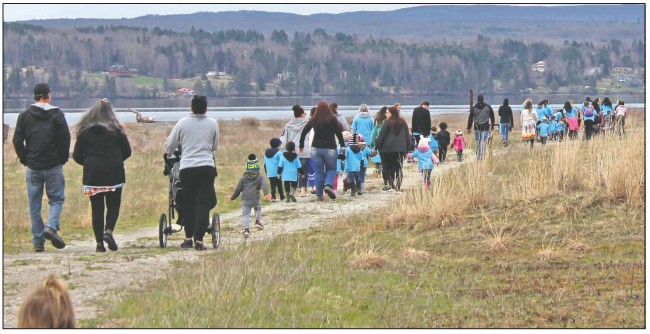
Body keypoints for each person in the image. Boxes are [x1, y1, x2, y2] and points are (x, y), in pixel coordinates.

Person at [13, 83, 70, 252]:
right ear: (49, 95)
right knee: (56, 199)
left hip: (33, 165)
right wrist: (62, 158)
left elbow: (17, 140)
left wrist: (25, 159)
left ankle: (38, 241)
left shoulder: (24, 116)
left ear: (34, 96)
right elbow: (65, 139)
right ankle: (51, 227)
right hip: (53, 165)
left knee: (34, 205)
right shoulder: (57, 114)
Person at [72, 98, 132, 252]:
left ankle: (99, 244)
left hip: (93, 175)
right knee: (113, 205)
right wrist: (116, 160)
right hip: (114, 172)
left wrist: (89, 163)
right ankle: (109, 231)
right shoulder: (117, 130)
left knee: (96, 209)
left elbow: (77, 156)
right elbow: (127, 152)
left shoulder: (84, 131)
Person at [164, 95, 219, 251]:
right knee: (203, 203)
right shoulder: (213, 123)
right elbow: (214, 146)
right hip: (206, 166)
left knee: (188, 202)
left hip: (187, 167)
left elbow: (169, 146)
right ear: (206, 108)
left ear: (191, 108)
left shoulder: (182, 123)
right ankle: (199, 239)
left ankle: (188, 238)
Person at [299, 101, 345, 201]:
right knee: (331, 169)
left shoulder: (314, 119)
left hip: (316, 148)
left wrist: (301, 144)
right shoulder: (332, 119)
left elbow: (305, 131)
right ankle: (328, 184)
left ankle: (319, 195)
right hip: (330, 149)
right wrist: (342, 145)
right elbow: (338, 133)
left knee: (319, 172)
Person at [227, 154, 271, 238]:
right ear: (257, 167)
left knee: (245, 214)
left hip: (245, 199)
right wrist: (266, 194)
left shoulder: (243, 178)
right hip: (255, 198)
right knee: (257, 208)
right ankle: (257, 221)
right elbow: (264, 186)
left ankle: (246, 230)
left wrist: (232, 197)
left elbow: (238, 189)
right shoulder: (260, 177)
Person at [374, 106, 411, 192]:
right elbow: (407, 136)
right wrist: (407, 149)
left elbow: (381, 136)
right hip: (400, 149)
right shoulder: (403, 122)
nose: (385, 114)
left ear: (392, 113)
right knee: (398, 167)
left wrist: (376, 147)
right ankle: (398, 185)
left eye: (387, 112)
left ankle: (388, 183)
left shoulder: (387, 122)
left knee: (387, 166)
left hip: (387, 149)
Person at [280, 105, 311, 196]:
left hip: (292, 150)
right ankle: (303, 190)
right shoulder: (307, 123)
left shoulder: (288, 124)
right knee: (304, 170)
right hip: (304, 149)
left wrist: (283, 148)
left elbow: (285, 138)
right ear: (302, 114)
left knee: (294, 169)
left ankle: (294, 189)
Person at [467, 94, 495, 160]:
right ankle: (483, 155)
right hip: (485, 127)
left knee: (478, 142)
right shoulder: (488, 107)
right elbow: (492, 116)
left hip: (477, 127)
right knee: (484, 142)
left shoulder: (474, 108)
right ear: (483, 99)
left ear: (477, 99)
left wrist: (469, 127)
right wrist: (492, 125)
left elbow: (470, 118)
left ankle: (478, 156)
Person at [263, 137, 285, 202]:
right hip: (277, 172)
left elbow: (265, 164)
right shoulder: (279, 153)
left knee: (272, 184)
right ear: (278, 145)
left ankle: (273, 197)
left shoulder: (265, 154)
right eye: (280, 145)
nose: (280, 146)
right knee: (279, 184)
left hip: (270, 172)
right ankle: (281, 196)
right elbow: (281, 163)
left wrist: (266, 171)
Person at [369, 106, 387, 181]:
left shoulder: (377, 121)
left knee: (378, 160)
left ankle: (378, 172)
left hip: (378, 142)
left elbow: (374, 132)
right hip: (385, 143)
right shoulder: (387, 121)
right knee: (383, 160)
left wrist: (372, 143)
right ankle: (381, 172)